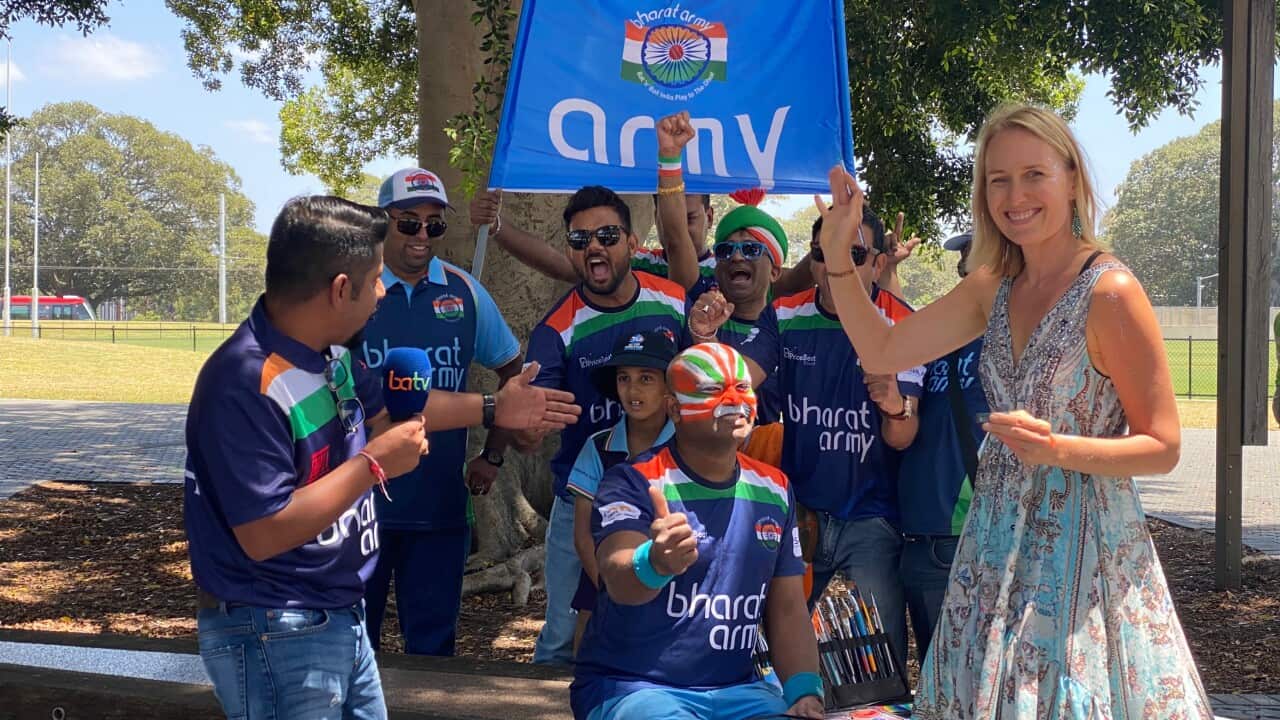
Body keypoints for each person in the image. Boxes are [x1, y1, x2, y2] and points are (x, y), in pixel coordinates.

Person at [815, 103, 1212, 718]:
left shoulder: (1110, 291)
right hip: (992, 551)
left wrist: (1056, 448)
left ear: (1072, 178)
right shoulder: (990, 286)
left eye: (1034, 175)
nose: (1015, 195)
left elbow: (1164, 446)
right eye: (998, 179)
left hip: (1088, 552)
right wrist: (840, 256)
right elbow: (881, 347)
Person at [184, 197, 428, 720]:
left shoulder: (330, 356)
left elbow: (384, 415)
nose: (382, 292)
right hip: (276, 626)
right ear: (342, 289)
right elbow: (264, 531)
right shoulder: (244, 384)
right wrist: (373, 465)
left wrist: (497, 407)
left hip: (337, 614)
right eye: (377, 278)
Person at [571, 343, 824, 720]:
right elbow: (617, 575)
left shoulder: (775, 488)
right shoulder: (632, 480)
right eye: (711, 390)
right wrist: (652, 562)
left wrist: (805, 692)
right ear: (675, 409)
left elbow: (787, 606)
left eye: (742, 387)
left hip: (740, 691)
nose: (734, 400)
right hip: (635, 687)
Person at [359, 168, 547, 656]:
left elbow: (515, 376)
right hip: (359, 508)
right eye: (409, 223)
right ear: (383, 222)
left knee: (433, 652)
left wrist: (495, 455)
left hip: (440, 511)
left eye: (434, 225)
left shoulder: (463, 293)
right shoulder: (355, 291)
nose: (422, 236)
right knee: (353, 650)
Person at [523, 185, 687, 665]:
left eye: (607, 234)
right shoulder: (555, 330)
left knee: (664, 630)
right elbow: (529, 425)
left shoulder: (675, 302)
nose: (594, 246)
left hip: (670, 497)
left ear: (633, 243)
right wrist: (523, 427)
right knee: (560, 640)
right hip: (583, 500)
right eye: (579, 239)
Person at [775, 208, 924, 670]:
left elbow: (902, 437)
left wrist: (894, 405)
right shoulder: (781, 316)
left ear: (878, 264)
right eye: (823, 253)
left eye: (853, 253)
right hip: (799, 516)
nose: (835, 265)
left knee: (878, 662)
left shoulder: (904, 324)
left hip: (872, 520)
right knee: (778, 648)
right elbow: (748, 391)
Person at [895, 230, 987, 661]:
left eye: (977, 253)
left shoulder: (1015, 335)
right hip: (916, 533)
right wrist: (891, 270)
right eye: (963, 257)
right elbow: (897, 331)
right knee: (936, 676)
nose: (964, 264)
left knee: (968, 673)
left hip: (968, 531)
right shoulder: (940, 331)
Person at [566, 329, 677, 654]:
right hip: (603, 573)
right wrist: (613, 584)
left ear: (670, 386)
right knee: (588, 649)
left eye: (646, 378)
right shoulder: (598, 447)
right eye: (624, 378)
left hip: (672, 577)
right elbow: (584, 534)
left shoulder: (686, 444)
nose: (632, 389)